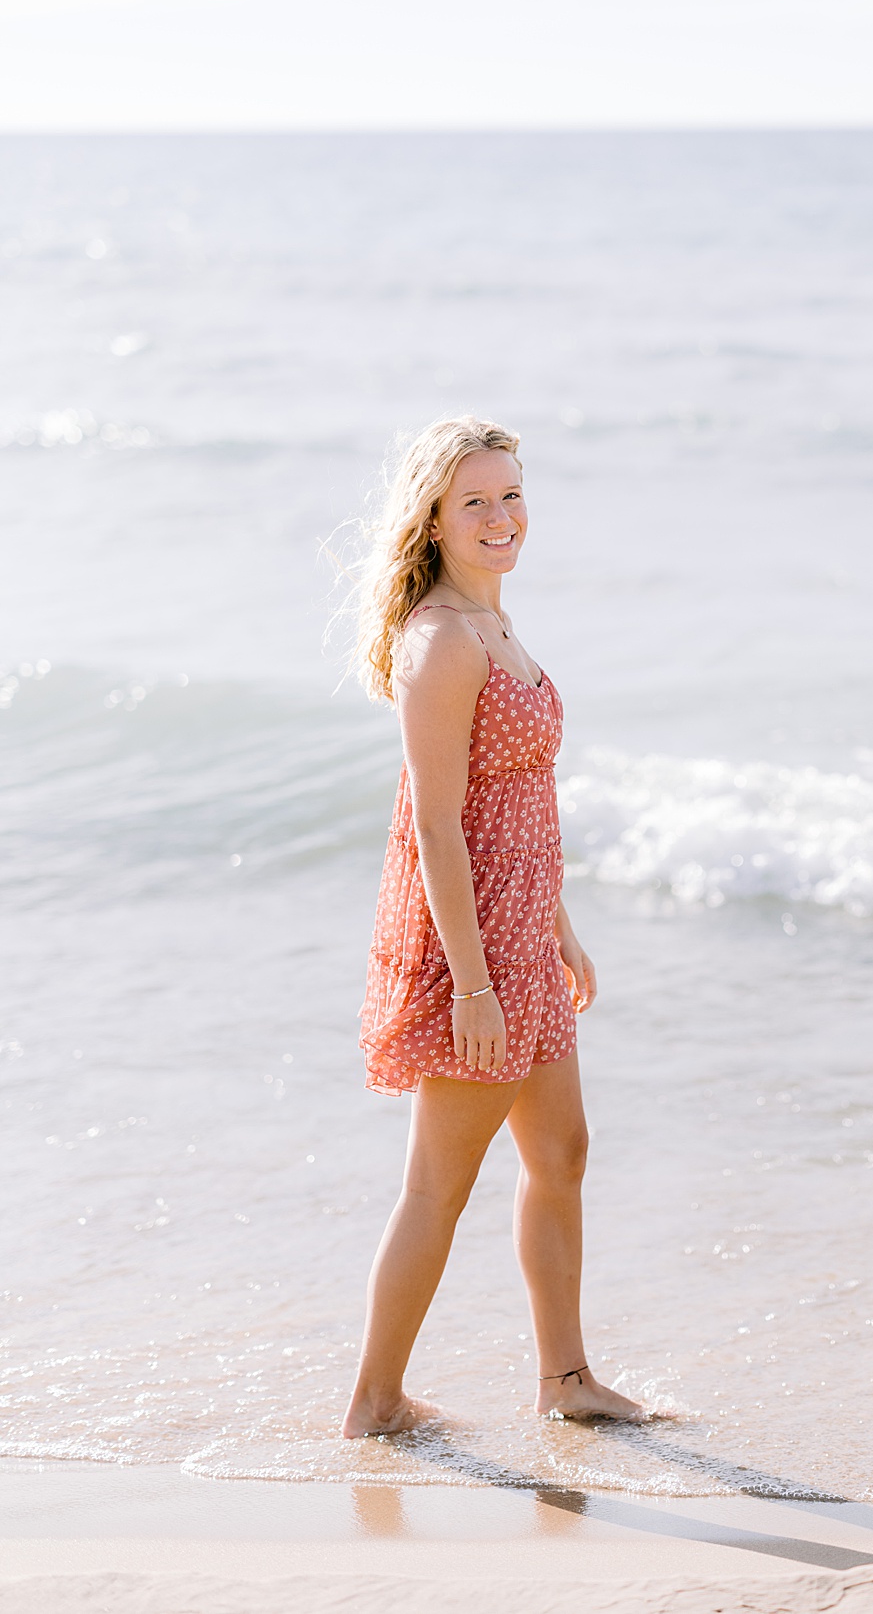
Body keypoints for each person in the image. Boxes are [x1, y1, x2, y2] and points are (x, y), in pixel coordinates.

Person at [342, 415, 643, 1437]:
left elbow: (512, 801)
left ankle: (565, 1382)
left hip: (522, 937)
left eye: (510, 494)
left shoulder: (496, 622)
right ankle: (374, 1402)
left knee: (561, 1152)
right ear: (433, 517)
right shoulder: (438, 641)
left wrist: (558, 927)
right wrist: (471, 985)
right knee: (439, 1183)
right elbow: (434, 825)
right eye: (474, 500)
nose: (499, 516)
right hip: (472, 951)